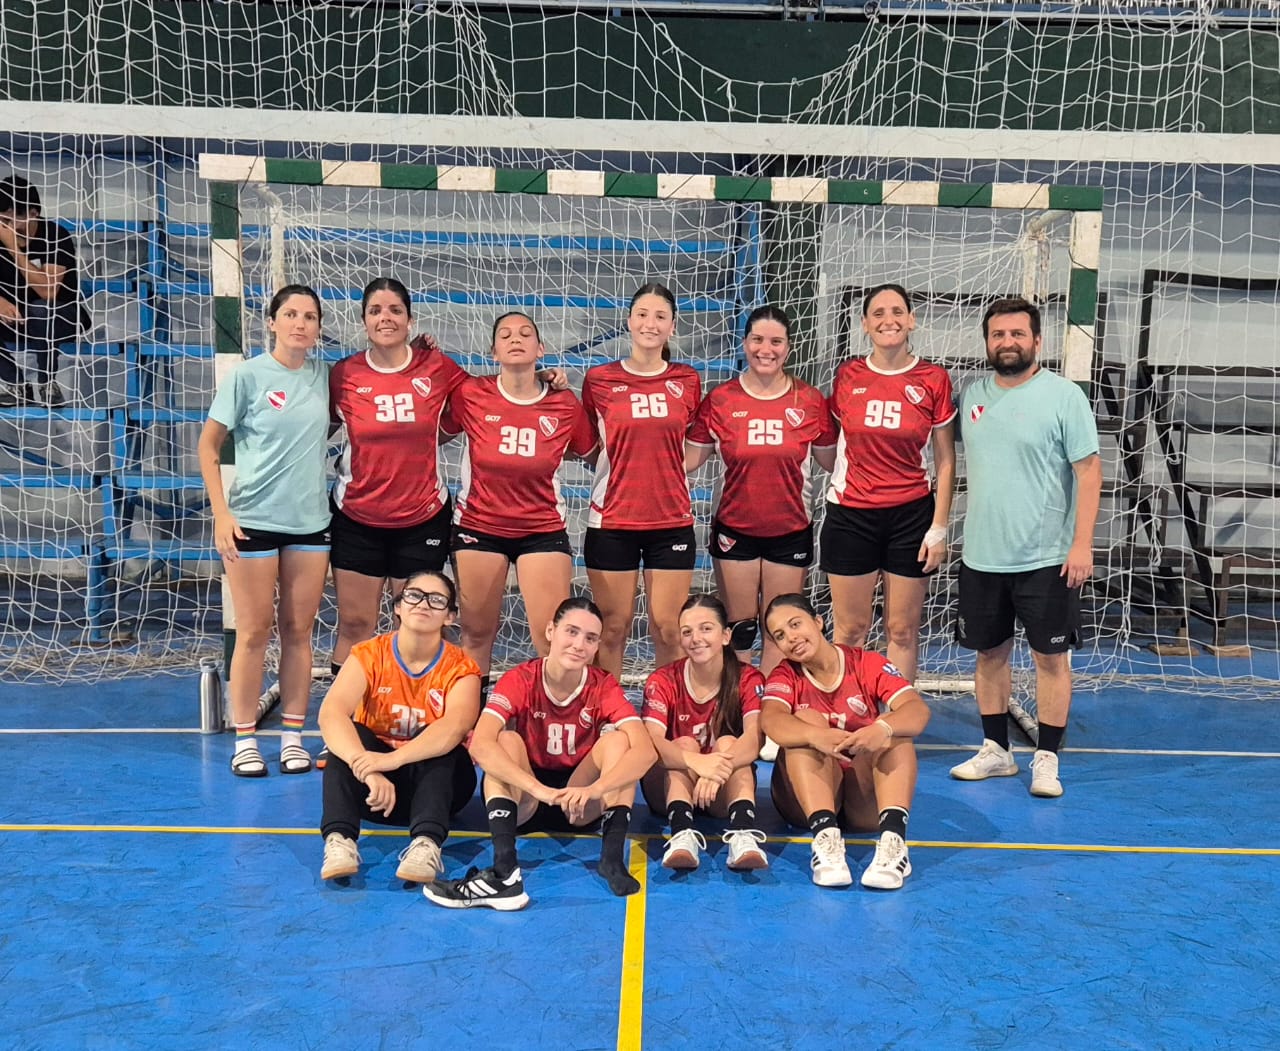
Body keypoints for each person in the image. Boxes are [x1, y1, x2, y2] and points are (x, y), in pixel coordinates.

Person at [949, 297, 1101, 798]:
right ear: (987, 342)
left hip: (1047, 559)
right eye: (998, 334)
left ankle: (1047, 758)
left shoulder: (1064, 397)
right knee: (989, 655)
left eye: (1017, 333)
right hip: (981, 557)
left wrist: (1082, 544)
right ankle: (996, 751)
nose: (1007, 342)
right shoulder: (972, 395)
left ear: (1037, 340)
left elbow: (1089, 472)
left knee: (1050, 660)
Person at [424, 597, 657, 909]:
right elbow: (480, 744)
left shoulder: (603, 685)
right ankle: (505, 872)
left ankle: (611, 859)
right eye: (571, 632)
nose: (579, 644)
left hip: (579, 801)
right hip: (528, 798)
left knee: (618, 742)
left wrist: (595, 789)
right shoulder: (521, 678)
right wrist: (537, 789)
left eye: (590, 638)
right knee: (506, 741)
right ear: (550, 631)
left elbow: (645, 752)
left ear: (597, 646)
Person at [197, 285, 330, 778]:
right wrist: (221, 513)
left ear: (318, 327)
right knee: (254, 632)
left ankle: (293, 737)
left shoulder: (325, 376)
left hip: (310, 525)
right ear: (271, 322)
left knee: (299, 632)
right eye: (290, 314)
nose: (300, 323)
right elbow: (208, 447)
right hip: (252, 520)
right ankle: (246, 739)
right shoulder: (247, 376)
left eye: (310, 316)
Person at [442, 311, 597, 680]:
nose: (516, 339)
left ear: (540, 349)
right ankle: (469, 712)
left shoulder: (564, 404)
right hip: (479, 527)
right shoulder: (471, 394)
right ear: (493, 351)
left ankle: (554, 711)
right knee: (476, 634)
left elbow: (594, 455)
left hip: (541, 529)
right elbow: (433, 432)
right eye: (506, 334)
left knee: (553, 638)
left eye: (526, 334)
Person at [328, 278, 467, 679]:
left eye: (395, 310)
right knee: (356, 625)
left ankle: (414, 709)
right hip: (357, 519)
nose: (385, 318)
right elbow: (316, 429)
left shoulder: (436, 367)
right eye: (375, 311)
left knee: (417, 627)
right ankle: (347, 713)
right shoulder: (344, 374)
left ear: (410, 320)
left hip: (422, 519)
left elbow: (487, 398)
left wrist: (543, 382)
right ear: (364, 321)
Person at [686, 305, 836, 674]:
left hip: (790, 531)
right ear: (744, 343)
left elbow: (837, 462)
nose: (765, 349)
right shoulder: (721, 400)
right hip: (735, 532)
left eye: (775, 342)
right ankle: (740, 700)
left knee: (780, 631)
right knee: (739, 631)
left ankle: (773, 701)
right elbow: (686, 460)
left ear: (788, 347)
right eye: (757, 340)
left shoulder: (810, 401)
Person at [821, 283, 956, 686]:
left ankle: (898, 713)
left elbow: (946, 460)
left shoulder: (933, 379)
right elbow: (834, 446)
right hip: (851, 516)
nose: (888, 320)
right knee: (850, 629)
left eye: (897, 311)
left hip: (910, 518)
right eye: (877, 314)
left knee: (902, 629)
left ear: (911, 320)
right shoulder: (848, 376)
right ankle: (847, 707)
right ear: (864, 324)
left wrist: (939, 528)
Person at [316, 570, 481, 884]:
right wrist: (368, 769)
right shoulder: (368, 654)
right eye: (414, 595)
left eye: (436, 600)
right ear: (398, 607)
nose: (423, 604)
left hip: (438, 793)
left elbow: (455, 727)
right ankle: (340, 841)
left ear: (450, 616)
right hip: (375, 794)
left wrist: (390, 760)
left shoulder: (462, 668)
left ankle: (426, 844)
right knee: (350, 738)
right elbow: (331, 714)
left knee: (439, 740)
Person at [759, 593, 931, 890]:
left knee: (895, 730)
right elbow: (771, 720)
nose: (791, 638)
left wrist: (881, 728)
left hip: (860, 799)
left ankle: (893, 846)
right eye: (780, 635)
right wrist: (816, 735)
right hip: (802, 805)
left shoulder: (867, 663)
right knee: (806, 722)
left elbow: (917, 711)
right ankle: (825, 843)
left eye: (795, 624)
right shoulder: (785, 675)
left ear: (818, 621)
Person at [581, 283, 702, 679]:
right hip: (613, 520)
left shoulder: (687, 380)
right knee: (611, 629)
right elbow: (587, 443)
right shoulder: (599, 379)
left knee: (669, 629)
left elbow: (695, 445)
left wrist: (666, 472)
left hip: (671, 521)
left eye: (661, 316)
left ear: (672, 326)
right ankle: (606, 710)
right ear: (629, 320)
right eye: (643, 314)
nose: (651, 324)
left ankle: (668, 708)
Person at [640, 594, 768, 872]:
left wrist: (715, 769)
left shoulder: (749, 678)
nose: (695, 638)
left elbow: (754, 739)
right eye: (687, 632)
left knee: (729, 742)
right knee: (684, 743)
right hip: (668, 787)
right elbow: (652, 742)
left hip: (719, 789)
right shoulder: (663, 680)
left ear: (726, 636)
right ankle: (681, 834)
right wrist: (697, 762)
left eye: (706, 628)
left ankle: (742, 833)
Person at [0, 175, 88, 407]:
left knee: (41, 310)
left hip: (61, 316)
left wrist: (13, 247)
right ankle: (16, 384)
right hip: (16, 318)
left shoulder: (55, 235)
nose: (4, 226)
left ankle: (47, 383)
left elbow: (48, 291)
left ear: (33, 213)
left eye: (9, 219)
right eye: (0, 219)